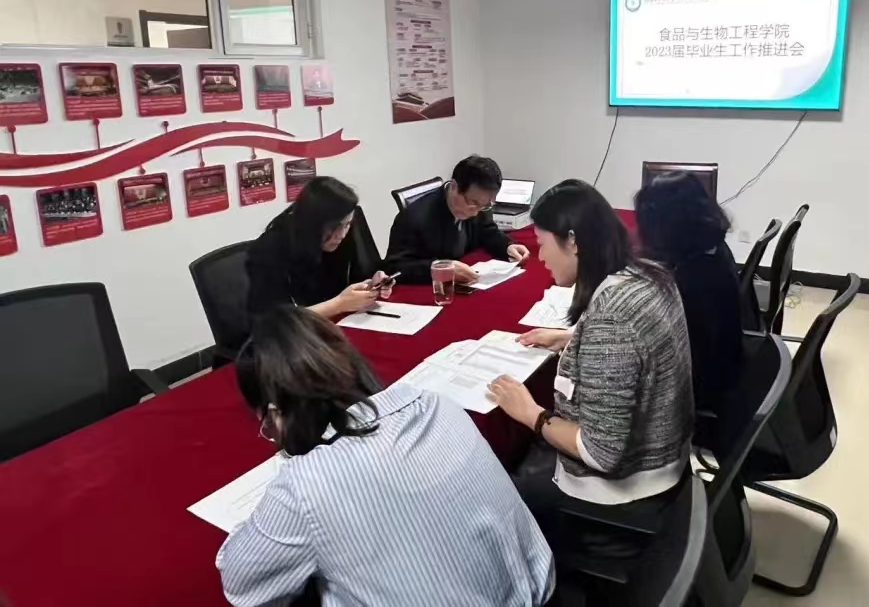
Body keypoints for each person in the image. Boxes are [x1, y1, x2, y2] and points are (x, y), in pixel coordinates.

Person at [218, 307, 555, 607]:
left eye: (268, 427)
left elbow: (243, 586)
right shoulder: (436, 404)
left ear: (276, 415)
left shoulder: (306, 484)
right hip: (538, 593)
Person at [487, 179, 694, 559]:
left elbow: (601, 453)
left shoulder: (611, 322)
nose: (540, 257)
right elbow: (637, 346)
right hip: (667, 457)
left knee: (491, 488)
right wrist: (573, 337)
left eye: (543, 244)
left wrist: (530, 413)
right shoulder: (647, 273)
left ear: (573, 242)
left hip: (627, 487)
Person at [634, 172, 744, 442]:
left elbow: (661, 347)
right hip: (722, 371)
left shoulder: (695, 279)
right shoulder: (710, 250)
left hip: (697, 392)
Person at [247, 177, 392, 319]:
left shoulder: (345, 230)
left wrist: (373, 283)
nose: (341, 235)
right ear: (311, 223)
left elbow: (358, 274)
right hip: (297, 331)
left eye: (347, 224)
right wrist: (339, 304)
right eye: (334, 227)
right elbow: (276, 320)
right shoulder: (271, 247)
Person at [384, 155, 530, 284]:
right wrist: (440, 268)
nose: (476, 212)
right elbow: (394, 267)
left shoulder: (480, 204)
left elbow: (487, 231)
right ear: (454, 187)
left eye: (485, 205)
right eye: (472, 203)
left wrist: (507, 246)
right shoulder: (413, 218)